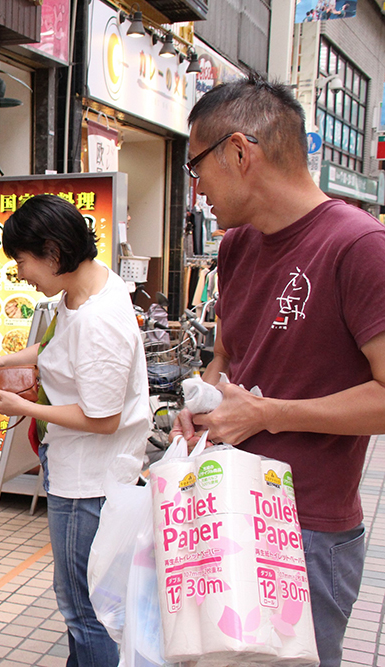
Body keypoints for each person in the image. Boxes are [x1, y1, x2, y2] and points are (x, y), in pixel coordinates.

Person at [173, 70, 385, 667]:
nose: (197, 189)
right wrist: (204, 406)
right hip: (219, 506)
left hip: (307, 529)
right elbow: (230, 355)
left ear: (239, 153)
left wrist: (266, 413)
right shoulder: (237, 246)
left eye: (196, 167)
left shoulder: (357, 246)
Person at [0, 195, 150, 667]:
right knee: (83, 609)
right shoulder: (86, 292)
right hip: (80, 472)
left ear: (53, 252)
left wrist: (22, 406)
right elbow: (49, 347)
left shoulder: (100, 323)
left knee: (84, 610)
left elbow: (102, 420)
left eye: (22, 260)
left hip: (88, 485)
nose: (19, 273)